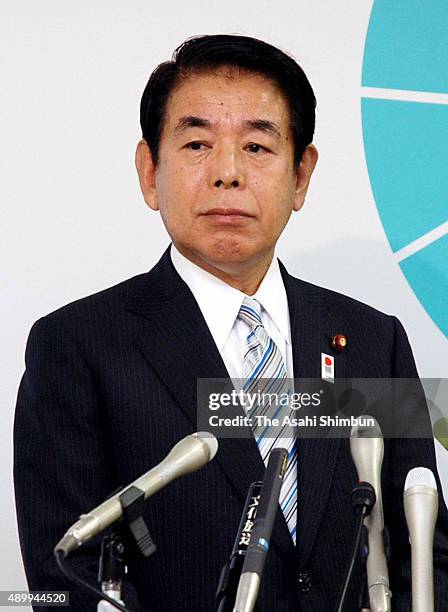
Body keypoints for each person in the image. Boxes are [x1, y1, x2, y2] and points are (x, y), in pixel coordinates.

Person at [14, 34, 448, 611]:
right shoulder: (78, 347)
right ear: (149, 171)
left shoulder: (372, 340)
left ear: (301, 175)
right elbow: (64, 573)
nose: (227, 173)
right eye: (197, 143)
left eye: (257, 147)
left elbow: (427, 552)